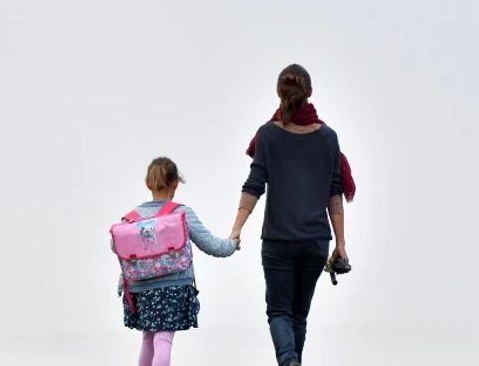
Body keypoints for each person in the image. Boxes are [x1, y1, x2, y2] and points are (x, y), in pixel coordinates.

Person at [230, 64, 355, 366]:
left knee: (279, 313)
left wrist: (236, 230)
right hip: (316, 241)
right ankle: (292, 361)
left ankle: (288, 361)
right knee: (299, 315)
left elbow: (254, 185)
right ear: (309, 93)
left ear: (279, 93)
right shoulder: (328, 138)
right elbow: (334, 194)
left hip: (278, 241)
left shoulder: (267, 136)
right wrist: (341, 243)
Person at [119, 157, 237, 366]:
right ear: (176, 183)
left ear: (148, 184)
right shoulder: (181, 212)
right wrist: (232, 244)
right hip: (172, 286)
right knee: (163, 339)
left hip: (140, 288)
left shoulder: (131, 219)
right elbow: (210, 245)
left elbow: (119, 248)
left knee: (148, 339)